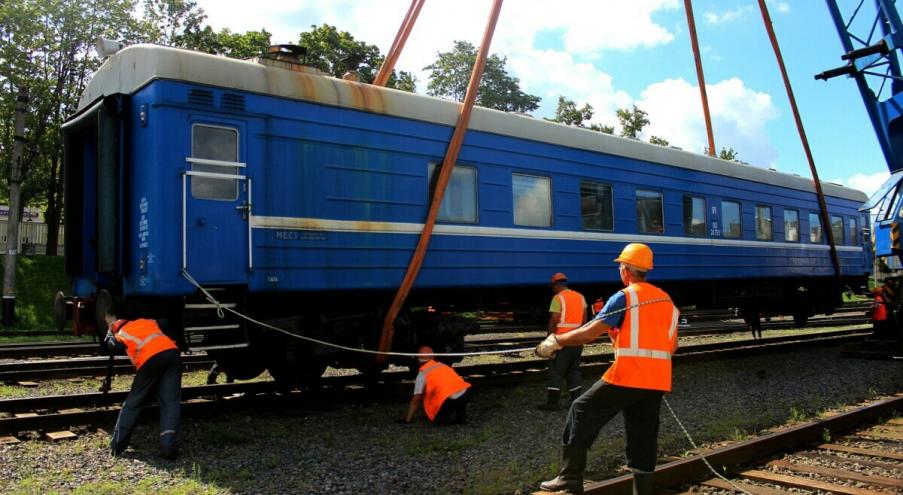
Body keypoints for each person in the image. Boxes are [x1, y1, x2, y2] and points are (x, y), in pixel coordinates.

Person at [535, 243, 679, 495]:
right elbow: (672, 345)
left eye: (620, 266)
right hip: (657, 380)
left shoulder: (625, 297)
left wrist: (557, 340)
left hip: (627, 375)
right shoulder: (666, 300)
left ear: (625, 270)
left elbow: (589, 333)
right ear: (646, 270)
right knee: (642, 436)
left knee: (581, 410)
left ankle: (569, 478)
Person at [103, 308, 182, 459]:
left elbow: (109, 344)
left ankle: (117, 446)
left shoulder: (120, 334)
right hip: (172, 354)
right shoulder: (146, 321)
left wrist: (109, 329)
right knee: (170, 402)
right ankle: (169, 448)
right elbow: (165, 322)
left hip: (149, 360)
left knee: (133, 402)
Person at [538, 272, 588, 411]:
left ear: (555, 285)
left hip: (562, 341)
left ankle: (552, 403)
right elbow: (584, 320)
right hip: (577, 341)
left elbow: (554, 320)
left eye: (552, 286)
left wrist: (549, 339)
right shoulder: (580, 297)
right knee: (574, 371)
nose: (552, 289)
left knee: (556, 371)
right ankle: (575, 401)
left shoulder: (557, 298)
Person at [399, 346, 471, 425]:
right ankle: (460, 416)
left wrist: (407, 419)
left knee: (439, 421)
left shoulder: (422, 374)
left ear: (418, 360)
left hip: (450, 399)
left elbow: (416, 399)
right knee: (456, 394)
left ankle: (445, 419)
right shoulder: (442, 365)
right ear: (433, 357)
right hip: (466, 394)